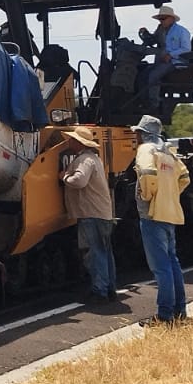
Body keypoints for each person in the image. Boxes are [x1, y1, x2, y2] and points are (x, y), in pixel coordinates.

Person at [132, 114, 191, 324]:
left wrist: (147, 195)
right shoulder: (167, 151)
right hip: (170, 212)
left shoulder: (145, 150)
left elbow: (147, 174)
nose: (135, 137)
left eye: (137, 133)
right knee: (172, 262)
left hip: (152, 214)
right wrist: (169, 194)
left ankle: (165, 315)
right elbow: (184, 178)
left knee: (161, 267)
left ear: (142, 134)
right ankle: (179, 311)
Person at [59, 126, 116, 303]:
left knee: (94, 253)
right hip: (102, 212)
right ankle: (110, 289)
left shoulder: (84, 160)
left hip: (91, 213)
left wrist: (64, 177)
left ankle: (99, 291)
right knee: (105, 252)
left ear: (78, 142)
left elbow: (79, 181)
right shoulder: (94, 159)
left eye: (71, 139)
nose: (68, 142)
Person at [140, 5, 192, 112]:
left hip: (176, 62)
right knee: (143, 73)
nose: (161, 21)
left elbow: (186, 49)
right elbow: (153, 41)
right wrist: (146, 34)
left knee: (154, 75)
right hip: (162, 62)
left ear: (171, 18)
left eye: (163, 19)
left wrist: (171, 55)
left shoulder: (181, 31)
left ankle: (154, 105)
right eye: (160, 19)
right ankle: (143, 101)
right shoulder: (160, 30)